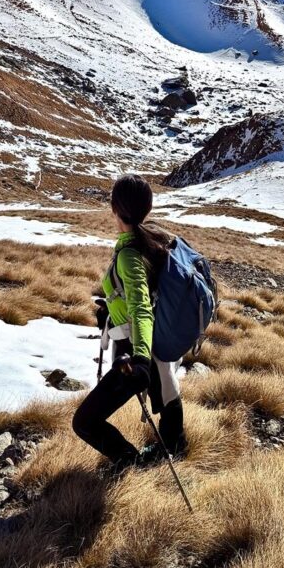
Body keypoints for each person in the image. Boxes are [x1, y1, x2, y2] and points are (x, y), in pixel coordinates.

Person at [72, 174, 187, 472]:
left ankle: (132, 465)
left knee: (84, 422)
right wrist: (110, 310)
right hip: (155, 344)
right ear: (145, 209)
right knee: (167, 391)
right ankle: (175, 446)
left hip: (136, 352)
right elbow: (139, 296)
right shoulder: (149, 240)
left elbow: (141, 307)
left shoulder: (130, 254)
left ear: (114, 207)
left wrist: (139, 359)